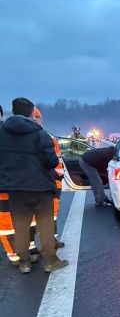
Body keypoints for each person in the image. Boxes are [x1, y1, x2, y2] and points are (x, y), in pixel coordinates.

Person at [0, 97, 68, 273]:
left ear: (13, 112)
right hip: (40, 187)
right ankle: (51, 260)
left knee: (20, 226)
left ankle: (24, 262)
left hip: (15, 189)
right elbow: (52, 161)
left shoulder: (2, 134)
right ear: (31, 114)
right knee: (45, 224)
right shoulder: (39, 134)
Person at [31, 107, 65, 248]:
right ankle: (41, 245)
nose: (35, 119)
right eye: (33, 116)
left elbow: (56, 160)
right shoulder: (47, 137)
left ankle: (45, 242)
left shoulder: (48, 137)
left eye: (37, 117)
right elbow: (54, 162)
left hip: (42, 182)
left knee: (49, 214)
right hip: (45, 182)